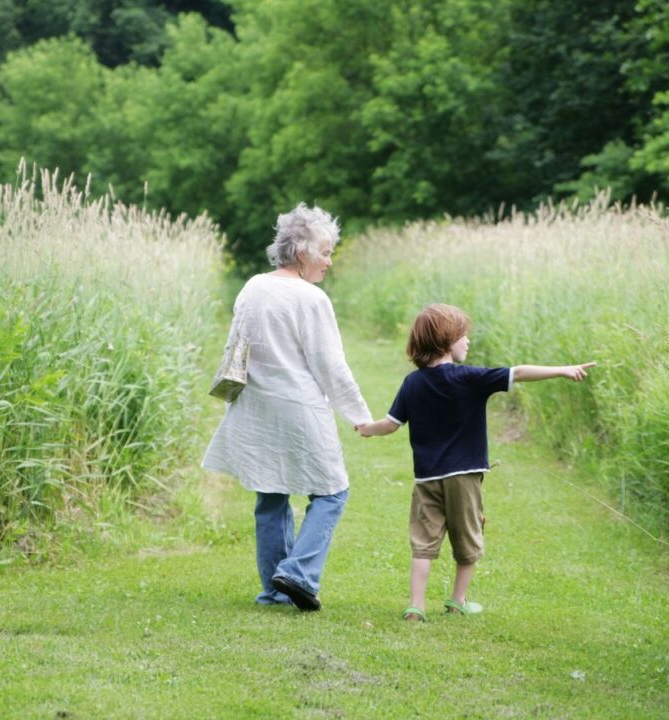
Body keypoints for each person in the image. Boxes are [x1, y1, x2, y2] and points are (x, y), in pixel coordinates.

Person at [357, 303, 595, 622]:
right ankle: (457, 600)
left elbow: (389, 424)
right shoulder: (469, 378)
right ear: (445, 340)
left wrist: (367, 430)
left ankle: (416, 606)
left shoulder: (412, 384)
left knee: (423, 542)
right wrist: (562, 369)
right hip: (465, 478)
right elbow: (519, 372)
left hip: (427, 479)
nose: (467, 341)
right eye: (462, 335)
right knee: (469, 537)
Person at [202, 203, 372, 612]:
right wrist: (362, 418)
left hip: (256, 407)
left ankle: (276, 591)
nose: (329, 261)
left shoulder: (252, 287)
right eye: (326, 252)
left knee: (272, 496)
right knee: (332, 491)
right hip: (299, 407)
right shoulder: (311, 299)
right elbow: (330, 366)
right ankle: (296, 574)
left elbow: (235, 351)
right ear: (301, 252)